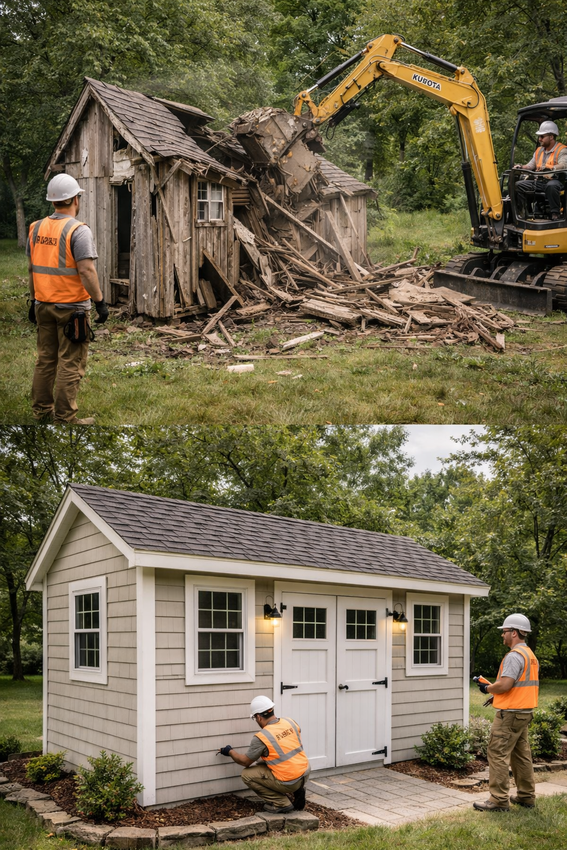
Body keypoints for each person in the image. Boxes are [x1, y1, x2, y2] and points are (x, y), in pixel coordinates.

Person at [28, 173, 109, 423]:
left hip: (43, 306)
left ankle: (42, 411)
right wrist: (100, 302)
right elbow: (86, 270)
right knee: (70, 363)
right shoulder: (78, 230)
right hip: (72, 310)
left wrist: (33, 301)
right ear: (75, 199)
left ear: (53, 201)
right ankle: (65, 419)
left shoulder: (36, 227)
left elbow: (32, 268)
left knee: (45, 360)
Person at [472, 613, 539, 813]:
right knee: (521, 755)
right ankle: (526, 797)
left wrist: (487, 689)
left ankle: (499, 800)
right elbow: (519, 686)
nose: (503, 635)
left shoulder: (514, 656)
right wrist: (497, 694)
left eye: (505, 631)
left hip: (509, 716)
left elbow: (506, 684)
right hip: (524, 712)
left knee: (497, 753)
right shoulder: (530, 655)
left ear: (515, 633)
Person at [217, 695, 310, 814]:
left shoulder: (262, 737)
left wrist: (230, 751)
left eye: (255, 718)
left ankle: (281, 803)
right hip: (305, 772)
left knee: (247, 774)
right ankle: (298, 789)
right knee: (264, 762)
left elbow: (245, 762)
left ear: (259, 717)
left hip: (289, 780)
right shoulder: (290, 722)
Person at [514, 121, 567, 221]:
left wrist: (549, 167)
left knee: (551, 186)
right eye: (539, 137)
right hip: (540, 182)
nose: (539, 139)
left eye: (542, 136)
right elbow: (530, 165)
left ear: (551, 137)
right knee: (519, 185)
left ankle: (555, 213)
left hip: (556, 181)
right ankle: (525, 213)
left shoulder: (562, 150)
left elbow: (563, 165)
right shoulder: (539, 150)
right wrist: (520, 167)